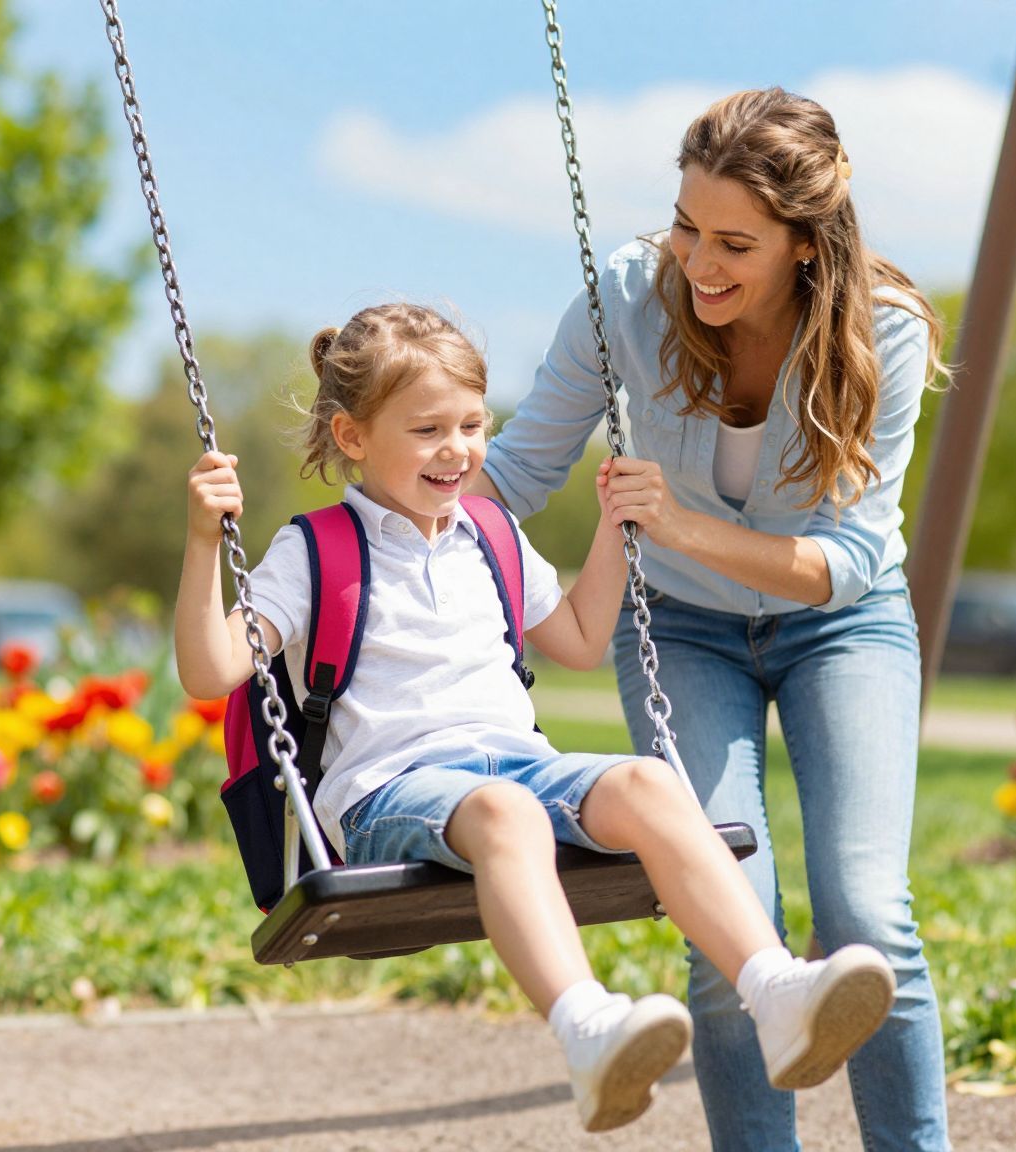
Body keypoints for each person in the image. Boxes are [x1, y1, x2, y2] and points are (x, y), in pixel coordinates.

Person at [172, 302, 894, 1135]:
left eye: (472, 424)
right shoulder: (314, 551)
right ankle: (588, 1030)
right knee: (505, 813)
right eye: (427, 430)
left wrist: (616, 528)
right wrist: (203, 542)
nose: (457, 449)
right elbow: (210, 671)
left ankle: (776, 991)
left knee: (649, 782)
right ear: (352, 436)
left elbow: (581, 639)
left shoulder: (492, 533)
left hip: (518, 762)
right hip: (387, 793)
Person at [470, 89, 953, 1151]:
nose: (698, 262)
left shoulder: (884, 328)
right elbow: (517, 471)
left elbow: (846, 563)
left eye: (736, 244)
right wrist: (368, 533)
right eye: (688, 227)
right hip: (681, 629)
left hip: (843, 627)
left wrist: (677, 526)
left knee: (866, 912)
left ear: (806, 243)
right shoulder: (629, 297)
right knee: (729, 918)